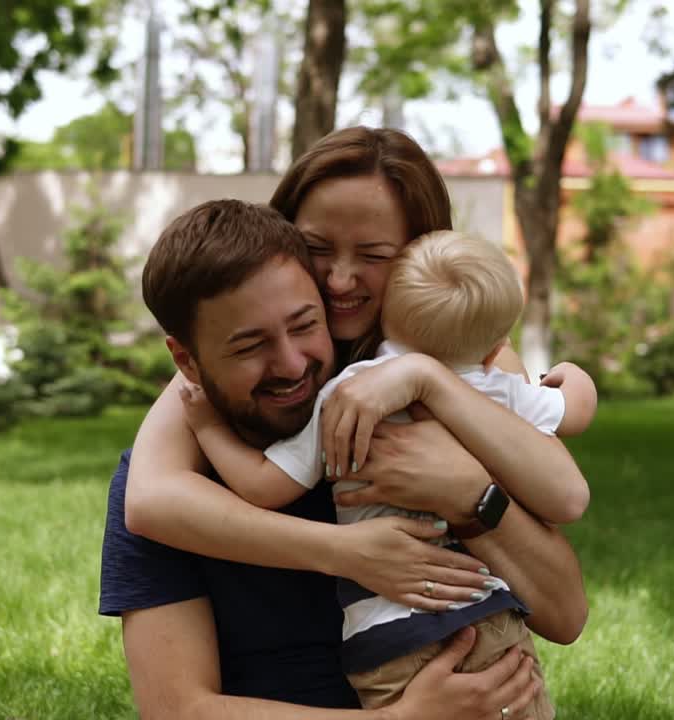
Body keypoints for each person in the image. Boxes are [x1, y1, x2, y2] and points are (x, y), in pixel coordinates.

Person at [106, 128, 590, 715]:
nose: (339, 279)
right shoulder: (204, 399)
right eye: (316, 247)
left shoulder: (463, 380)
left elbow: (565, 611)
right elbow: (149, 500)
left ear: (422, 258)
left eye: (375, 255)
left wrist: (468, 490)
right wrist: (345, 551)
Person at [175, 229, 597, 716]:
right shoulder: (492, 389)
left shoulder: (348, 392)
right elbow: (576, 412)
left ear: (385, 318)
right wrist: (571, 373)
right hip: (483, 612)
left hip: (388, 633)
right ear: (492, 349)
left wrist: (206, 427)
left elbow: (262, 486)